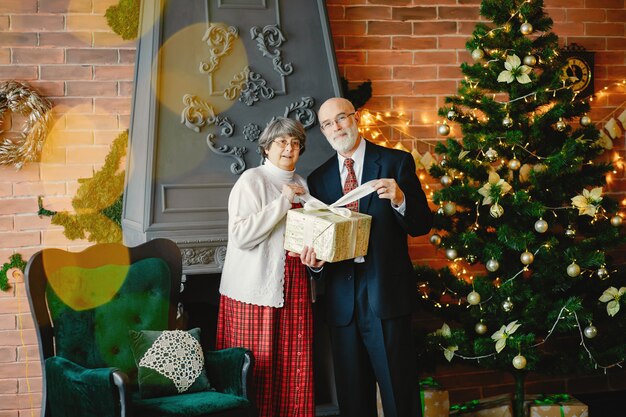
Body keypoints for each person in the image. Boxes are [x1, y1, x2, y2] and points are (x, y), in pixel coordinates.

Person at [300, 97, 433, 417]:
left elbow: (421, 226)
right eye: (328, 124)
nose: (336, 127)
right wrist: (315, 265)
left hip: (386, 292)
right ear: (323, 130)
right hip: (341, 299)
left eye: (341, 118)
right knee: (352, 398)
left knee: (399, 393)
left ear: (355, 118)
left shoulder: (395, 163)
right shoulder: (317, 179)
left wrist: (400, 198)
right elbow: (321, 239)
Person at [216, 117, 314, 417]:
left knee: (292, 368)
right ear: (267, 147)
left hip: (296, 286)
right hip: (257, 290)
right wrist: (283, 202)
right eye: (282, 142)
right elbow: (242, 236)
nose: (289, 148)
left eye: (296, 143)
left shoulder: (301, 183)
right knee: (258, 370)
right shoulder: (251, 180)